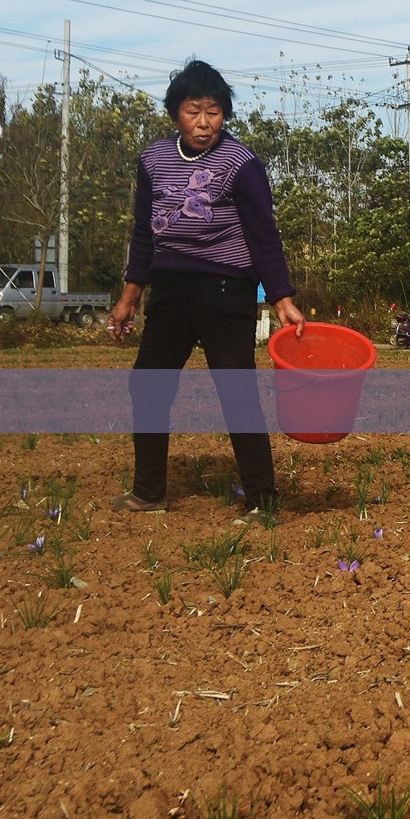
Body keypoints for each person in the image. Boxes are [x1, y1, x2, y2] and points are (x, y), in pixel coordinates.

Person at [108, 60, 305, 516]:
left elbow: (263, 234)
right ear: (176, 112)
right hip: (170, 291)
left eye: (213, 111)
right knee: (148, 387)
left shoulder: (241, 163)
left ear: (225, 115)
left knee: (236, 391)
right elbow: (144, 234)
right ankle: (149, 491)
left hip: (225, 290)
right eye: (193, 110)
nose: (203, 122)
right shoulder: (153, 161)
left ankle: (261, 500)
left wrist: (282, 298)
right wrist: (129, 298)